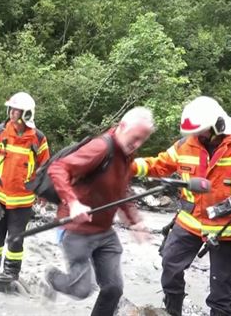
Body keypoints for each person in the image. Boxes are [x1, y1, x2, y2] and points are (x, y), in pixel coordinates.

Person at [132, 96, 231, 316]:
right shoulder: (184, 145)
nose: (197, 136)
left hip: (228, 230)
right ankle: (172, 311)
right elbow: (158, 165)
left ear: (218, 125)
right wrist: (127, 167)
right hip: (188, 224)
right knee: (170, 269)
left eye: (201, 131)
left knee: (221, 293)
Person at [44, 106, 155, 316]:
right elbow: (58, 168)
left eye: (143, 140)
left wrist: (135, 222)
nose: (137, 144)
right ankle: (52, 277)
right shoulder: (101, 148)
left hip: (104, 232)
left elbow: (121, 190)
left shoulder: (126, 154)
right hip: (76, 229)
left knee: (113, 289)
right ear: (122, 127)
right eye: (135, 137)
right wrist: (73, 202)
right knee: (82, 289)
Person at [0, 92, 51, 282]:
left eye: (16, 110)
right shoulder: (0, 131)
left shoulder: (38, 139)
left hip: (23, 202)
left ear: (26, 114)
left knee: (15, 240)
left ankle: (11, 274)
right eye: (11, 109)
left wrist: (44, 193)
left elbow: (46, 168)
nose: (12, 113)